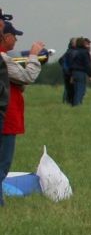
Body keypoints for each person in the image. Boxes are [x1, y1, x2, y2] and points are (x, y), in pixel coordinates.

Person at [1, 16, 48, 200]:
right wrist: (34, 56)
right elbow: (28, 76)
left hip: (5, 117)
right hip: (6, 118)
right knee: (2, 165)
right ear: (4, 36)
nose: (16, 39)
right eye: (14, 35)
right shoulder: (3, 58)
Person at [61, 37, 91, 106]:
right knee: (80, 90)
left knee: (74, 90)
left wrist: (71, 74)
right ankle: (77, 105)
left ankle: (72, 104)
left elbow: (72, 63)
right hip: (80, 73)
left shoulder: (74, 51)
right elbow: (87, 64)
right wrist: (90, 75)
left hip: (73, 72)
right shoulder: (84, 52)